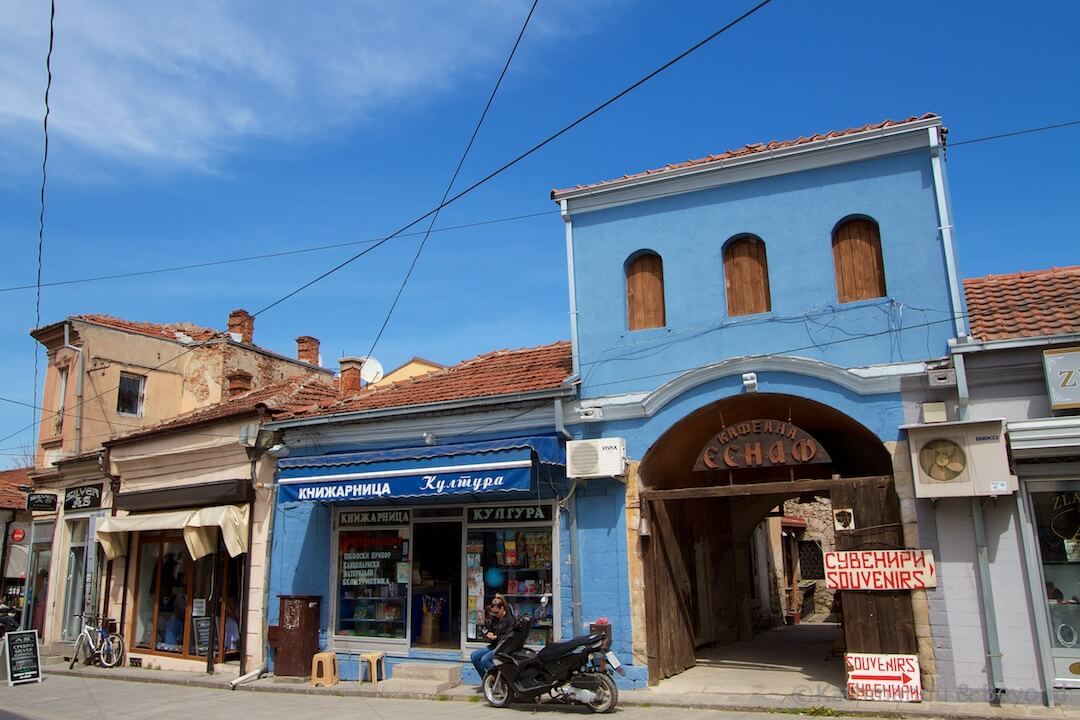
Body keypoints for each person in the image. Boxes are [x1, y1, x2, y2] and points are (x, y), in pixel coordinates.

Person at [471, 594, 514, 681]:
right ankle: (486, 681)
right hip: (494, 646)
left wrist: (497, 637)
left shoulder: (510, 620)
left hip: (503, 647)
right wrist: (489, 633)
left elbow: (509, 636)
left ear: (502, 608)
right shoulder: (494, 619)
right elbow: (489, 630)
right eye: (493, 613)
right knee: (474, 656)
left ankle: (501, 680)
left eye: (496, 612)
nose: (495, 615)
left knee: (485, 660)